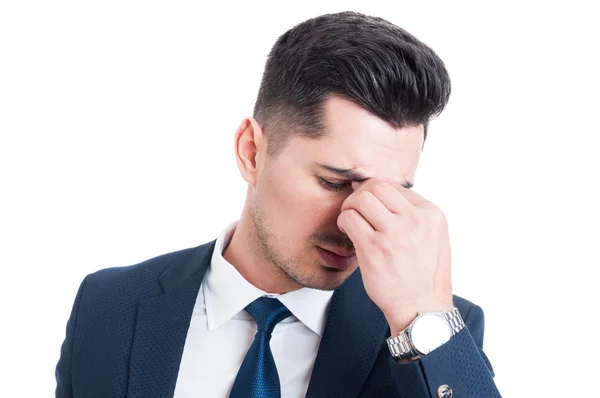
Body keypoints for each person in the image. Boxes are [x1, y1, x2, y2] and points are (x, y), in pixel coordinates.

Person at [55, 11, 501, 398]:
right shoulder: (109, 305)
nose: (356, 221)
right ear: (251, 151)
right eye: (334, 182)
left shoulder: (433, 331)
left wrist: (422, 315)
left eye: (393, 193)